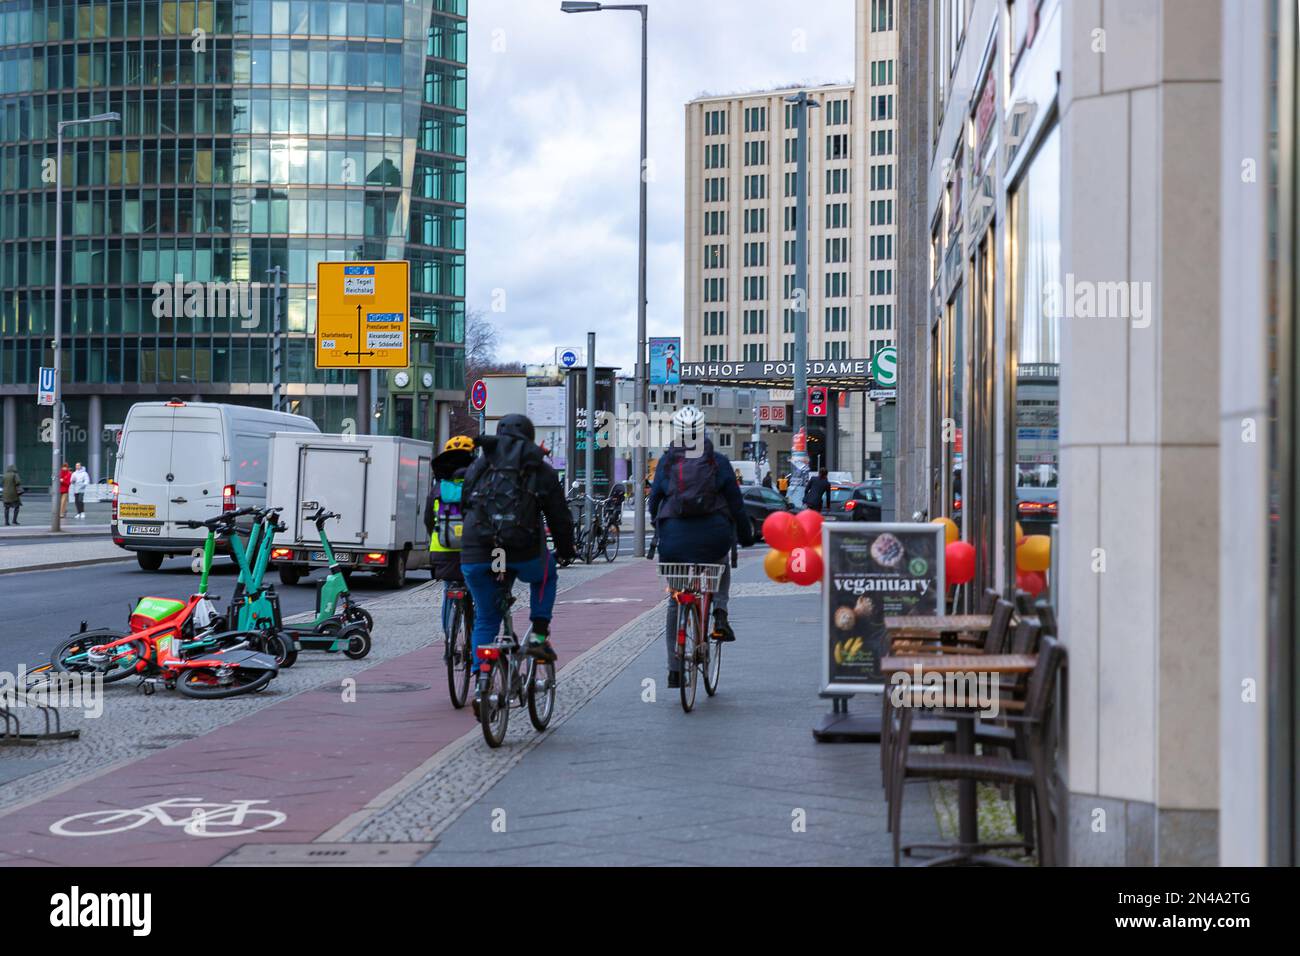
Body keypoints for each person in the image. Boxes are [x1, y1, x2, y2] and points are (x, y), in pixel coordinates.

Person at [460, 414, 575, 695]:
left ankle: (482, 679)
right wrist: (565, 550)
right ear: (531, 437)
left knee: (487, 617)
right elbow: (558, 516)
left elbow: (465, 504)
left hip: (480, 551)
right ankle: (537, 634)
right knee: (546, 575)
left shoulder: (480, 464)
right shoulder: (540, 468)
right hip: (522, 551)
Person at [649, 405, 755, 689]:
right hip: (713, 539)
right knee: (720, 562)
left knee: (675, 599)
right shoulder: (718, 462)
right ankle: (720, 613)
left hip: (673, 541)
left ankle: (674, 670)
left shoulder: (666, 462)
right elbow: (737, 505)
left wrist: (658, 527)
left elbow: (654, 501)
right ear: (703, 431)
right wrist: (745, 536)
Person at [425, 436, 476, 637]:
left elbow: (429, 520)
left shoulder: (438, 489)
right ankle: (474, 639)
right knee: (476, 592)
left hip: (443, 552)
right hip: (472, 551)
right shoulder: (477, 484)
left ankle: (449, 640)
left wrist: (435, 537)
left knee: (449, 592)